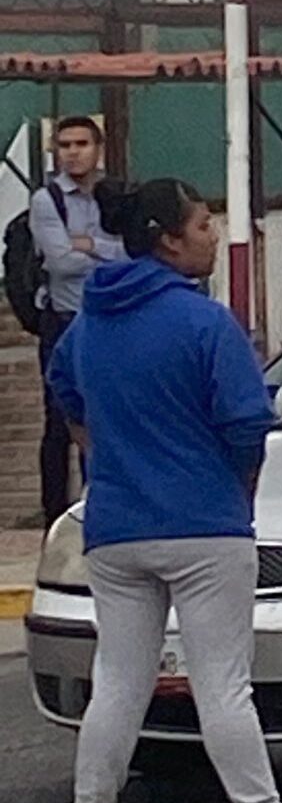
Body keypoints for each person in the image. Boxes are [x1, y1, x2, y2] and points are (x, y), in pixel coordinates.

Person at [47, 179, 280, 803]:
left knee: (119, 682)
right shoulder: (207, 322)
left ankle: (93, 796)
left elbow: (66, 395)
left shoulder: (89, 324)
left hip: (116, 528)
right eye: (203, 226)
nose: (211, 236)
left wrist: (108, 458)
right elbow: (246, 425)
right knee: (224, 688)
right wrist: (239, 492)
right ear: (169, 242)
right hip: (205, 524)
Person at [30, 116, 126, 528]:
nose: (73, 152)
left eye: (81, 143)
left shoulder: (117, 194)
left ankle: (102, 501)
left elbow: (134, 251)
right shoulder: (47, 199)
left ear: (98, 147)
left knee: (109, 413)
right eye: (65, 144)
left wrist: (92, 245)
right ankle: (56, 513)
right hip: (65, 320)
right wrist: (107, 252)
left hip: (109, 319)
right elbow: (60, 261)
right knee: (60, 416)